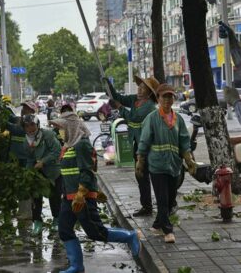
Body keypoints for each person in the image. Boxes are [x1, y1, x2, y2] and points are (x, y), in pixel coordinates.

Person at [49, 111, 141, 272]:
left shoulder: (81, 144)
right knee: (64, 230)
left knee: (96, 232)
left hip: (81, 197)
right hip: (68, 197)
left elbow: (87, 170)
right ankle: (76, 266)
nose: (59, 131)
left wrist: (82, 193)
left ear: (70, 128)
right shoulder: (67, 146)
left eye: (61, 128)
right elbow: (67, 173)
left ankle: (130, 236)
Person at [136, 83, 197, 244]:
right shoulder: (152, 119)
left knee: (170, 201)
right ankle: (167, 231)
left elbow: (184, 141)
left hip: (174, 166)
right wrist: (140, 161)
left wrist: (189, 159)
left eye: (170, 96)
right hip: (157, 165)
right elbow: (144, 141)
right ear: (158, 98)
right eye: (164, 96)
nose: (167, 100)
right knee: (162, 200)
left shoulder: (178, 119)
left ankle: (157, 224)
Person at [102, 75, 160, 217]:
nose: (139, 89)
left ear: (149, 92)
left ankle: (157, 205)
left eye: (143, 87)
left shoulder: (149, 106)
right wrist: (108, 84)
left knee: (147, 174)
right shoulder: (135, 100)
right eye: (139, 86)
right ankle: (146, 206)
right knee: (140, 176)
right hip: (137, 143)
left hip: (147, 145)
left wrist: (120, 107)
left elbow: (133, 118)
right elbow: (118, 97)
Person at [22, 114, 62, 236]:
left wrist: (43, 161)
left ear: (38, 125)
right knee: (35, 198)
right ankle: (37, 222)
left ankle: (56, 220)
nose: (30, 128)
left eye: (32, 125)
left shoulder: (47, 135)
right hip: (37, 173)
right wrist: (28, 172)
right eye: (27, 126)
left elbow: (57, 151)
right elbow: (29, 159)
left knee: (54, 197)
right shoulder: (26, 141)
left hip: (53, 171)